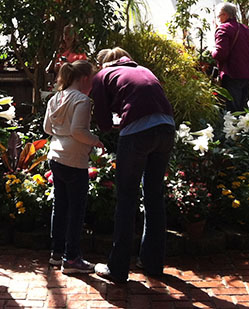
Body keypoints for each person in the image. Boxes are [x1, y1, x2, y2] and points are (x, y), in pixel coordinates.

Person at [90, 48, 175, 284]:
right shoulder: (143, 70)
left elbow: (103, 120)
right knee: (154, 196)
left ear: (103, 63)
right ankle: (153, 263)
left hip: (137, 134)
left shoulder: (103, 75)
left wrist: (111, 126)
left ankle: (117, 269)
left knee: (126, 198)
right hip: (167, 129)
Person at [43, 60, 104, 273]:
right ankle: (71, 258)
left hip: (55, 156)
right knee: (76, 210)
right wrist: (96, 140)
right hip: (74, 160)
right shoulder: (82, 101)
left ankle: (56, 253)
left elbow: (47, 128)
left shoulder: (55, 98)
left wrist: (63, 133)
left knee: (59, 207)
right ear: (85, 78)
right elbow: (79, 131)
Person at [211, 2, 249, 111]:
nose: (218, 18)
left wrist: (212, 50)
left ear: (225, 15)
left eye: (219, 16)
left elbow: (220, 54)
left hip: (233, 74)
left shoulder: (224, 29)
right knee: (243, 110)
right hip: (248, 74)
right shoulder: (245, 29)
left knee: (232, 111)